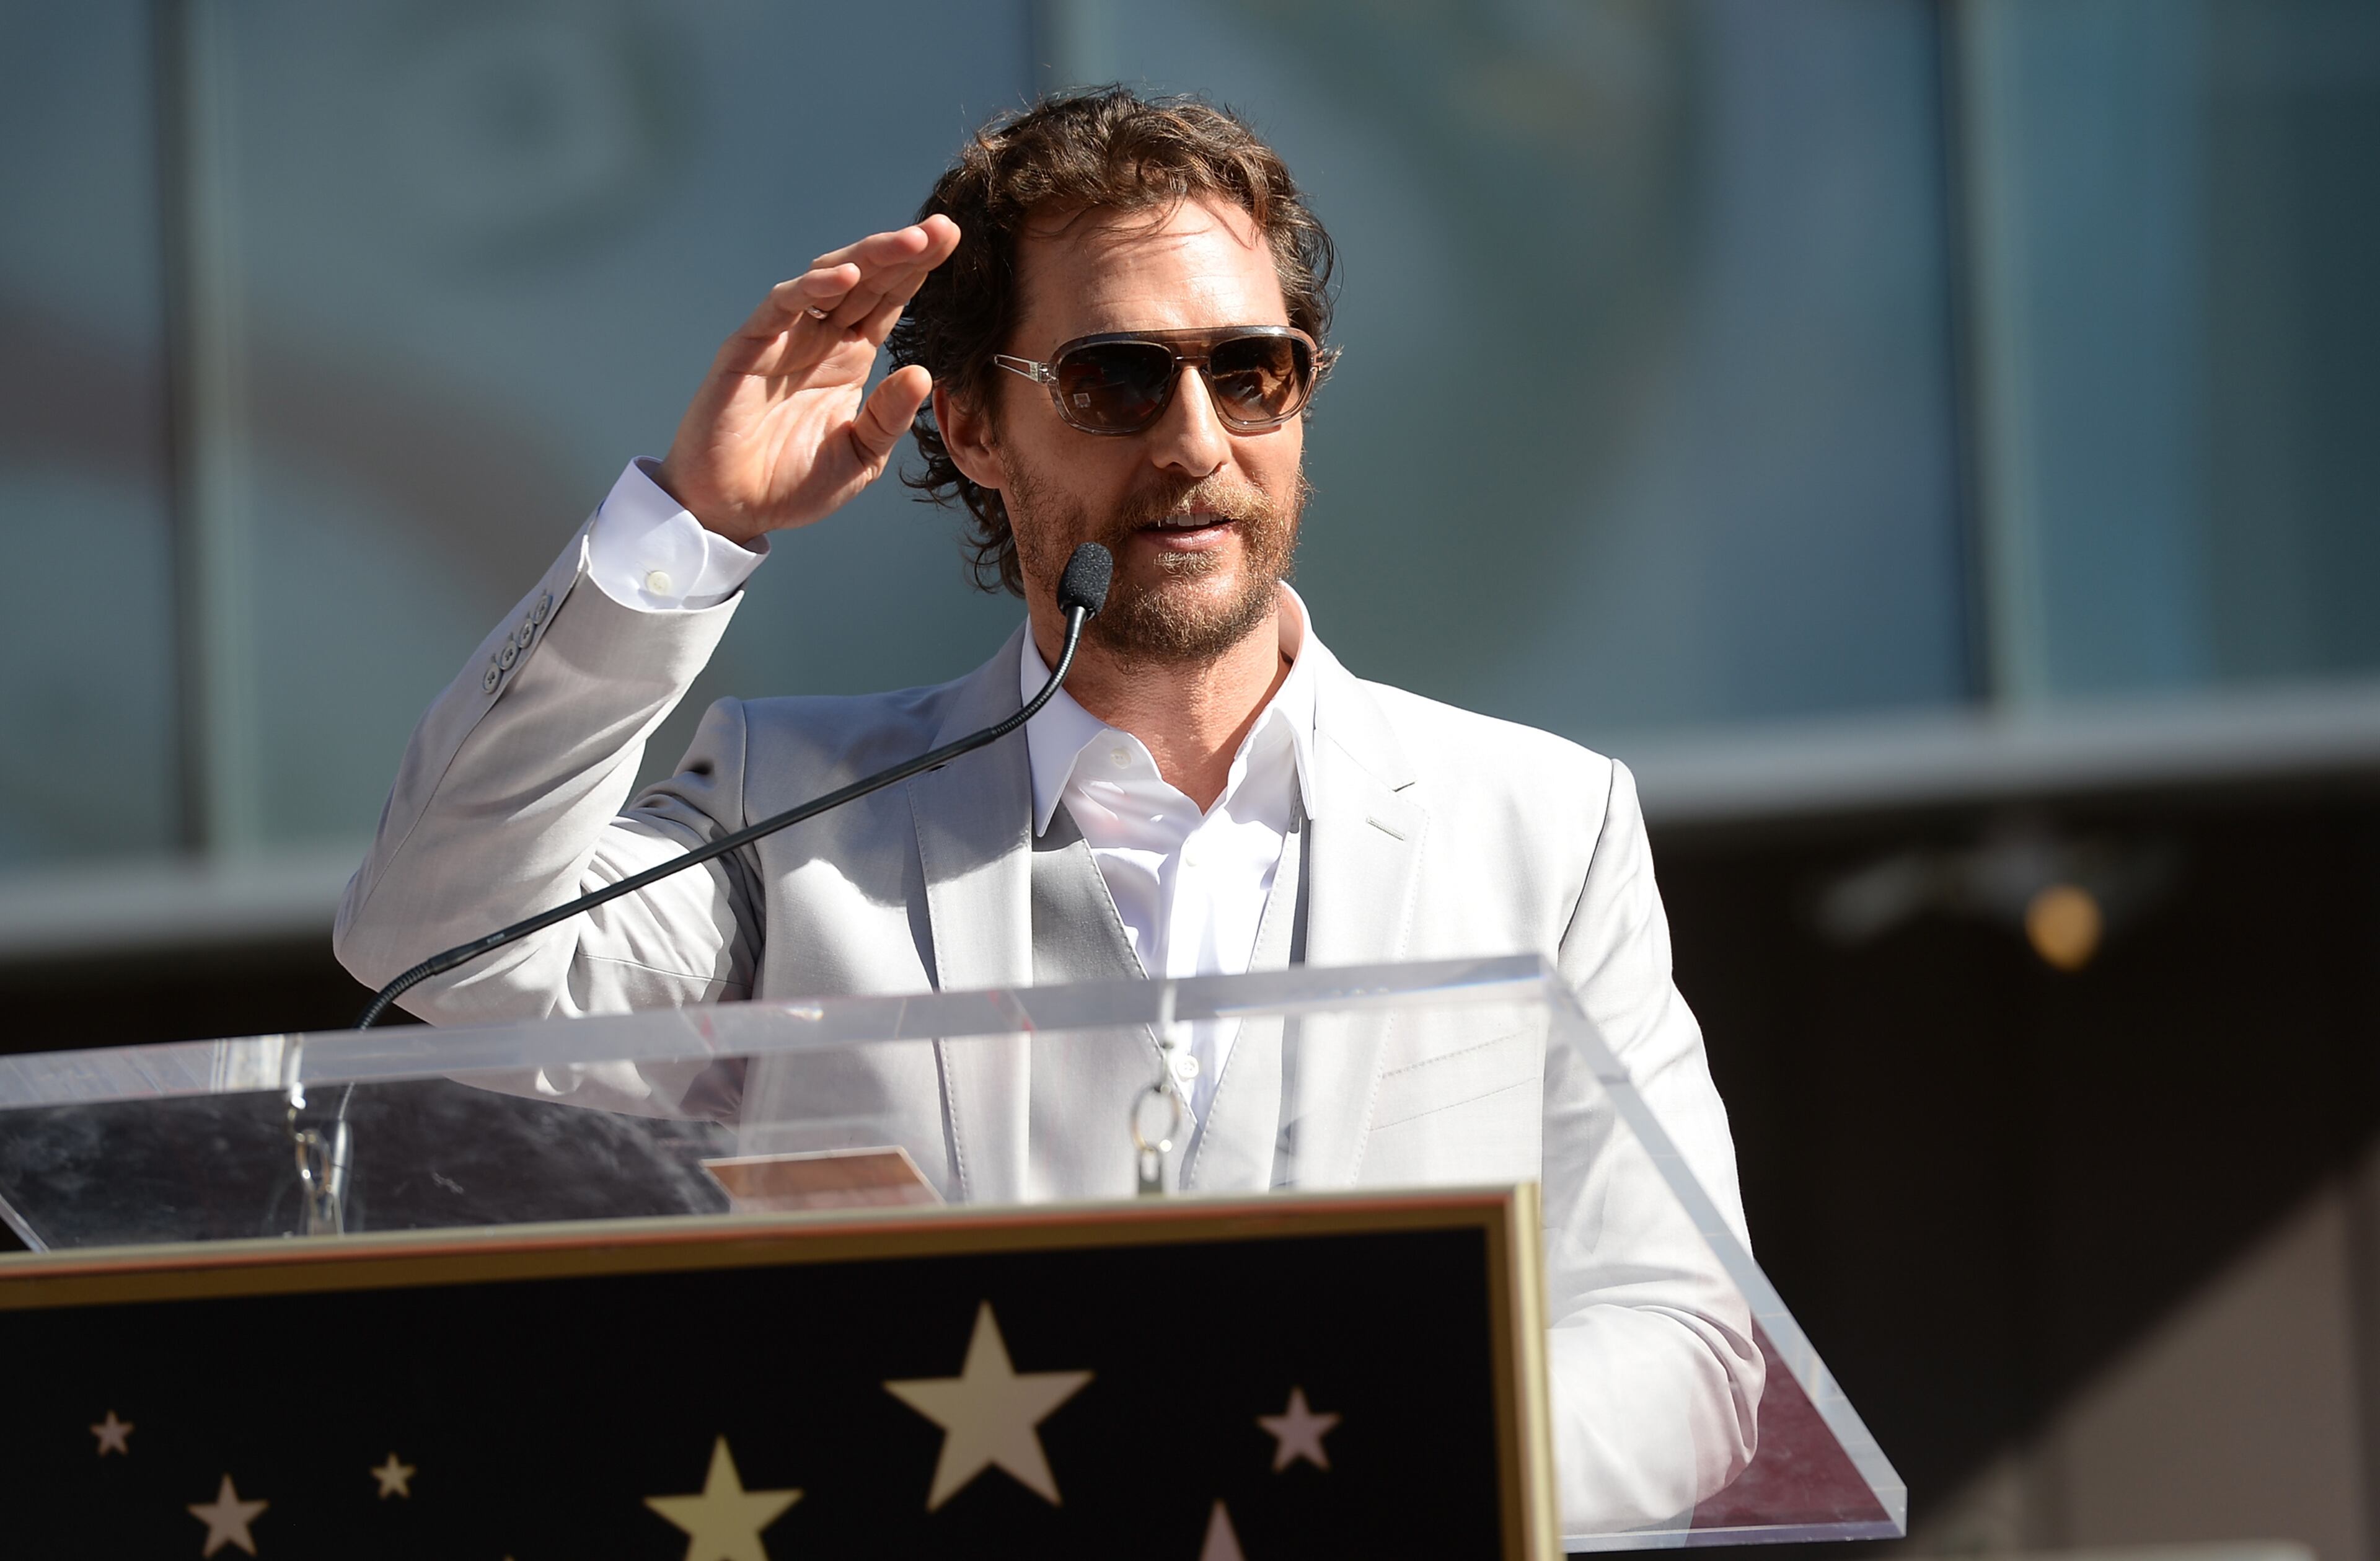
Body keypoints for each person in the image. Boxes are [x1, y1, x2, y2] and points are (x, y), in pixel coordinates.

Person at [334, 89, 1761, 1531]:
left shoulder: (1542, 824)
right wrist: (694, 531)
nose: (1199, 440)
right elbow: (441, 945)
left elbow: (1679, 1329)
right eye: (1118, 379)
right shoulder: (799, 813)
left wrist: (1362, 1483)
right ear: (969, 425)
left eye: (1254, 370)